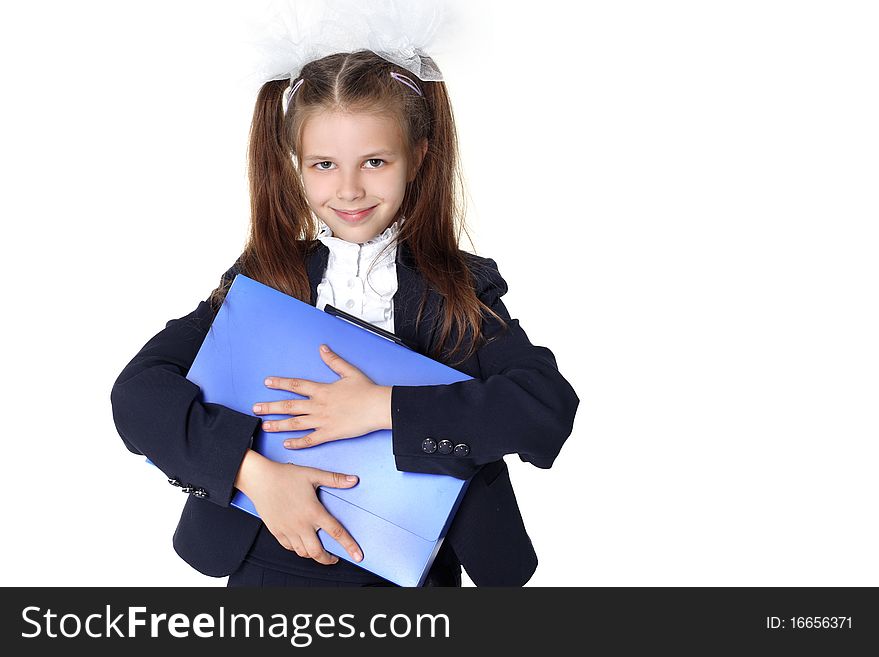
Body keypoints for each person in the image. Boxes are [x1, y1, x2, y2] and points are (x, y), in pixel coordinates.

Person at [110, 46, 579, 587]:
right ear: (297, 166)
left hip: (410, 569)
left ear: (419, 156)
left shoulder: (458, 288)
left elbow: (545, 407)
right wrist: (252, 473)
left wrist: (383, 407)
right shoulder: (265, 276)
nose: (350, 188)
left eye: (375, 161)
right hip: (263, 555)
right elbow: (138, 394)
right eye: (324, 164)